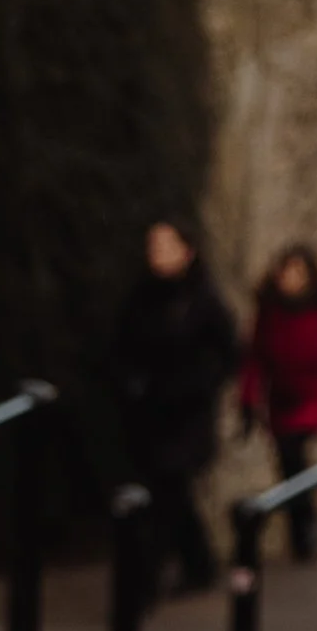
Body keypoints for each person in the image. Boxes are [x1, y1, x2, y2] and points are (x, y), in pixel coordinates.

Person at [109, 221, 241, 602]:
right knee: (169, 492)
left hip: (188, 415)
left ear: (187, 251)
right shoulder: (141, 296)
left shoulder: (202, 299)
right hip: (149, 413)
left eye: (167, 246)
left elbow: (227, 352)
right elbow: (121, 346)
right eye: (153, 245)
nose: (157, 253)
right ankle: (199, 561)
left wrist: (199, 384)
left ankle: (146, 579)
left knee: (168, 490)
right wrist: (130, 383)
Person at [237, 247, 317, 562]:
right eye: (285, 272)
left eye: (297, 273)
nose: (290, 280)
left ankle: (307, 529)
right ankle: (302, 529)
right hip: (282, 402)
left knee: (294, 455)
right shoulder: (271, 312)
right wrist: (248, 399)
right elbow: (256, 359)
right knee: (288, 464)